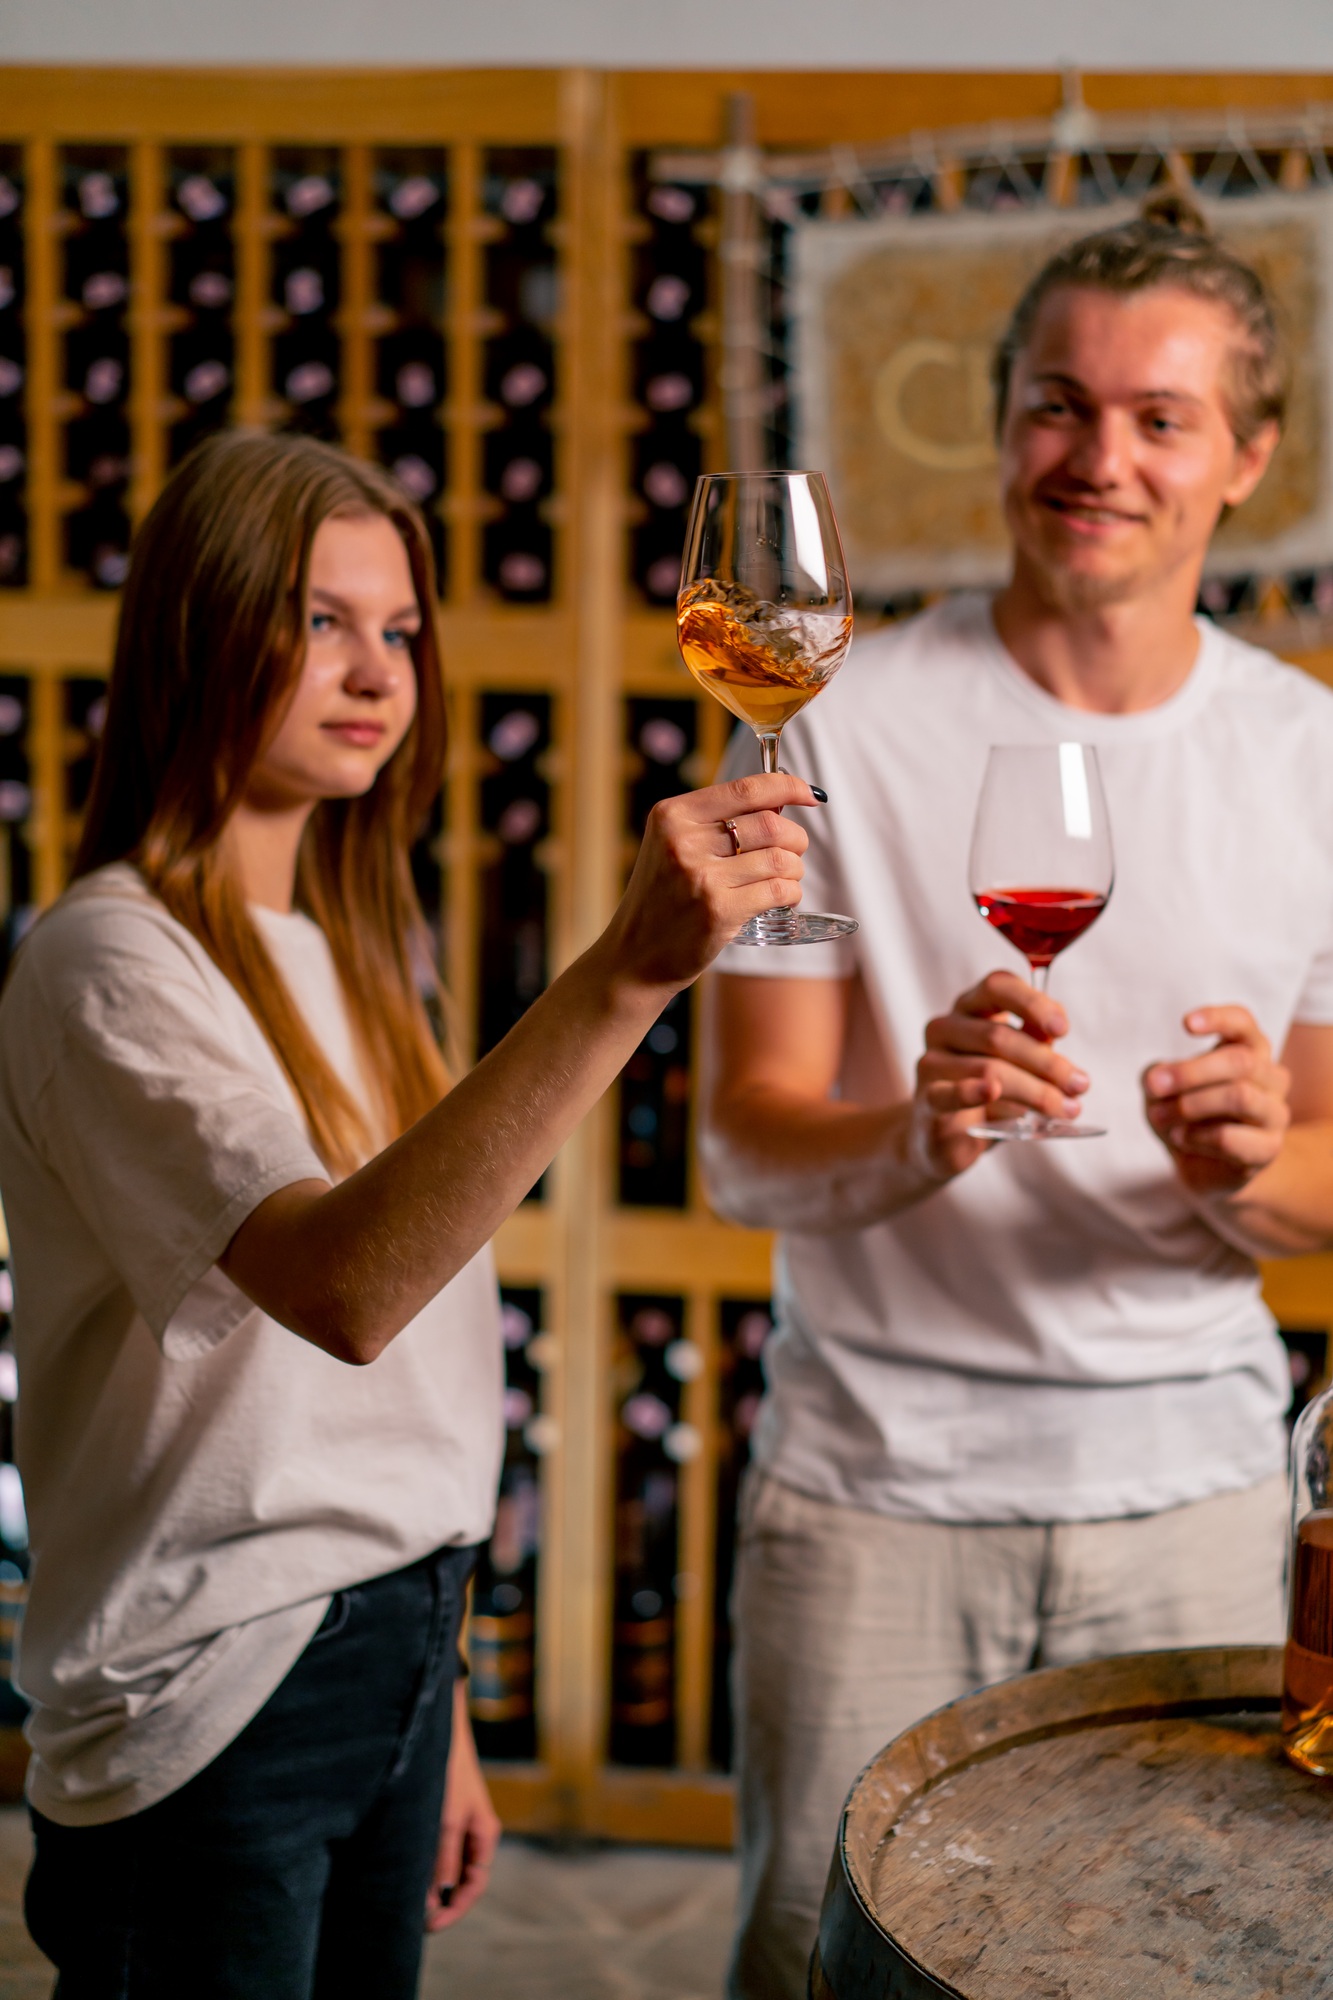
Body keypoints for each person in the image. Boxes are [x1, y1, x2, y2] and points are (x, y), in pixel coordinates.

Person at [0, 429, 821, 2000]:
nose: (375, 669)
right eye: (316, 619)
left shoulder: (359, 955)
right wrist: (627, 972)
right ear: (197, 628)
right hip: (211, 1696)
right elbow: (350, 1288)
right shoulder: (108, 965)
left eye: (397, 628)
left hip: (383, 1651)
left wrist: (429, 1711)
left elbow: (407, 1382)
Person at [702, 193, 1333, 2000]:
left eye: (1159, 417)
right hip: (871, 1494)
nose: (1099, 457)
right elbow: (746, 1150)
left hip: (1193, 1503)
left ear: (1246, 457)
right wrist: (914, 1134)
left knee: (1177, 1964)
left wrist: (1246, 1168)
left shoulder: (1301, 759)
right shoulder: (832, 722)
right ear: (999, 429)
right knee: (813, 1962)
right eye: (1058, 404)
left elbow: (1320, 1194)